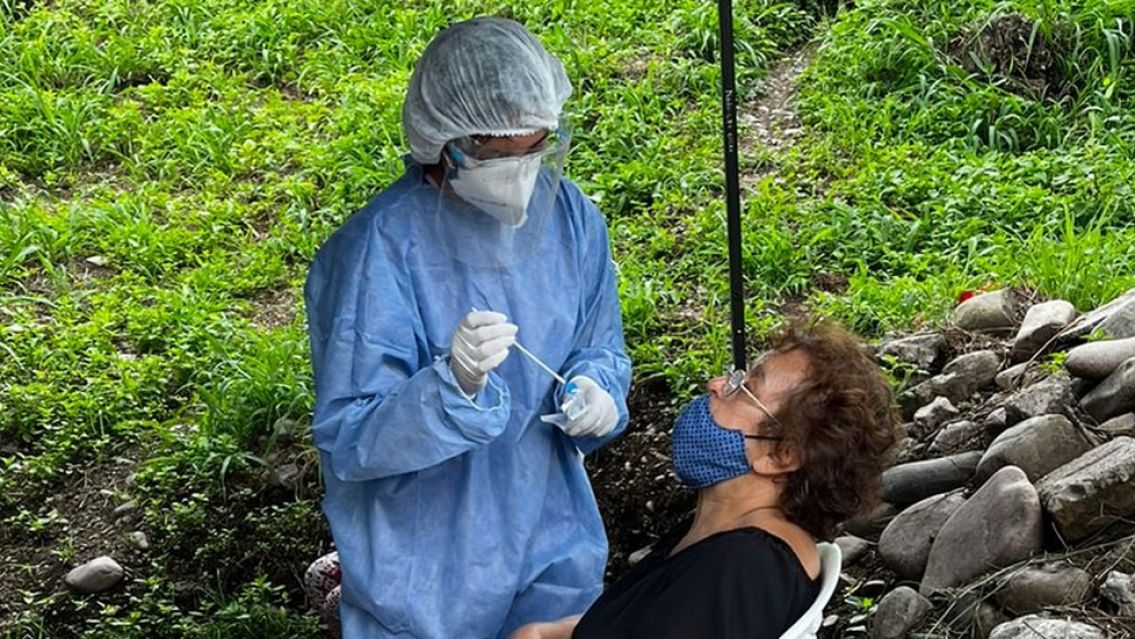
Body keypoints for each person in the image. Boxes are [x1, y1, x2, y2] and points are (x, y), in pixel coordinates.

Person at [303, 17, 632, 639]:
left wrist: (596, 389)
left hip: (551, 538)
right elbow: (350, 437)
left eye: (536, 149)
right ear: (444, 143)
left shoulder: (570, 218)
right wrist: (449, 387)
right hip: (423, 570)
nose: (522, 176)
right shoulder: (377, 251)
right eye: (500, 156)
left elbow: (598, 342)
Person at [510, 320, 899, 639]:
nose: (716, 384)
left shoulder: (743, 571)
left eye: (744, 388)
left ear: (782, 455)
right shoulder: (717, 533)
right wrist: (546, 633)